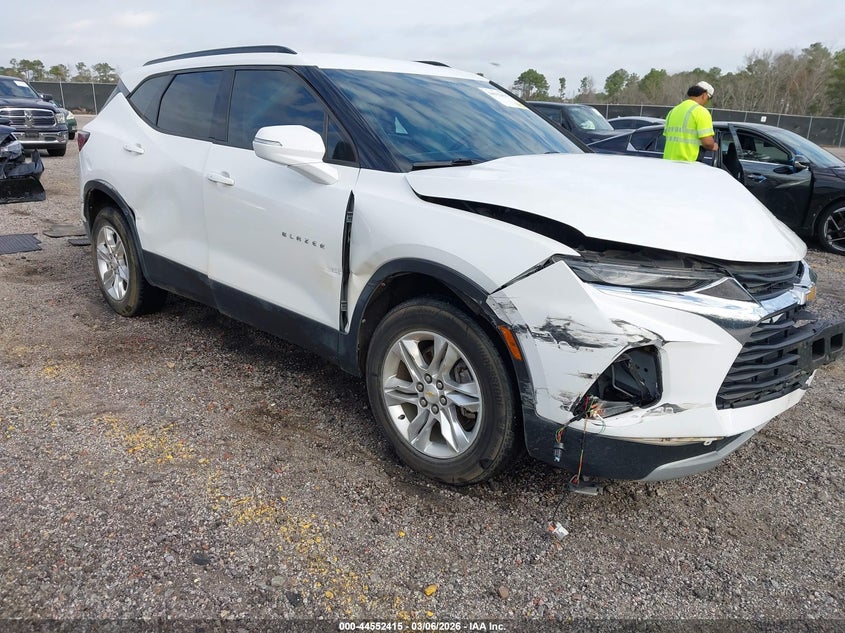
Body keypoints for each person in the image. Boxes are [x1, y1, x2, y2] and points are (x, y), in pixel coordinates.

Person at [662, 81, 718, 161]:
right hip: (688, 164)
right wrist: (713, 146)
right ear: (704, 95)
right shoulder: (701, 111)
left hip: (668, 162)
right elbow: (707, 142)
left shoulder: (673, 111)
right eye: (708, 99)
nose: (707, 102)